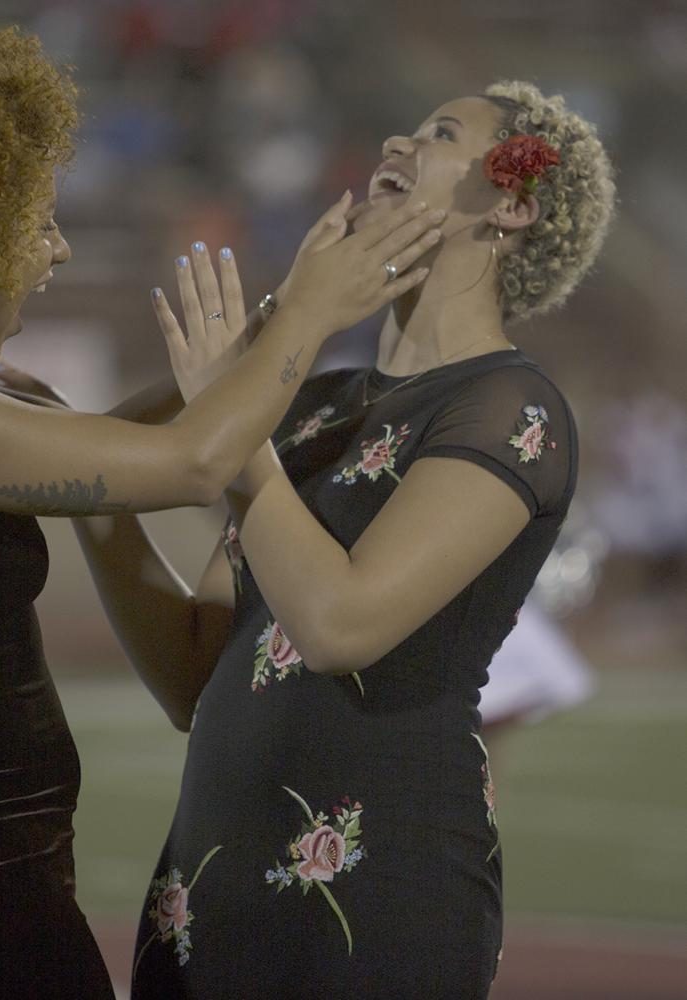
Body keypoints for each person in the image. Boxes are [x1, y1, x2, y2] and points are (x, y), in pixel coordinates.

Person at [0, 20, 441, 1000]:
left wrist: (259, 327)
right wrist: (312, 317)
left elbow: (96, 440)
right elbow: (194, 465)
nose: (61, 248)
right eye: (36, 221)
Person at [55, 80, 615, 998]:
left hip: (377, 896)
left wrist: (233, 430)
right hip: (208, 886)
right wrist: (109, 505)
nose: (399, 136)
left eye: (441, 133)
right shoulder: (311, 405)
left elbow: (340, 624)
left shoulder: (514, 407)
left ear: (511, 203)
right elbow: (194, 668)